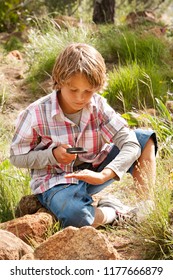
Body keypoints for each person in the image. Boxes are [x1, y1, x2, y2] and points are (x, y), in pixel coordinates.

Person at [10, 43, 157, 228]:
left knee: (144, 138)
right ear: (59, 81)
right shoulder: (35, 113)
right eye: (73, 90)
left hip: (95, 169)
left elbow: (131, 144)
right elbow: (16, 157)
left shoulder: (98, 105)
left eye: (88, 91)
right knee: (76, 216)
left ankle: (146, 207)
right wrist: (52, 155)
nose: (80, 98)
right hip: (57, 181)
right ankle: (114, 213)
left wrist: (105, 174)